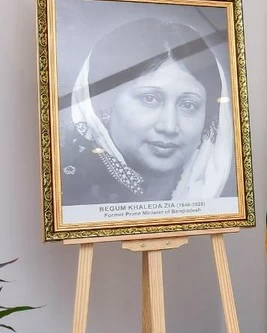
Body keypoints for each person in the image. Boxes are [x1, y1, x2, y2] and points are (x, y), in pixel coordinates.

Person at [59, 17, 235, 206]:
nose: (169, 126)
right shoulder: (69, 191)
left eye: (188, 104)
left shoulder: (223, 194)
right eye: (149, 99)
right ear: (104, 103)